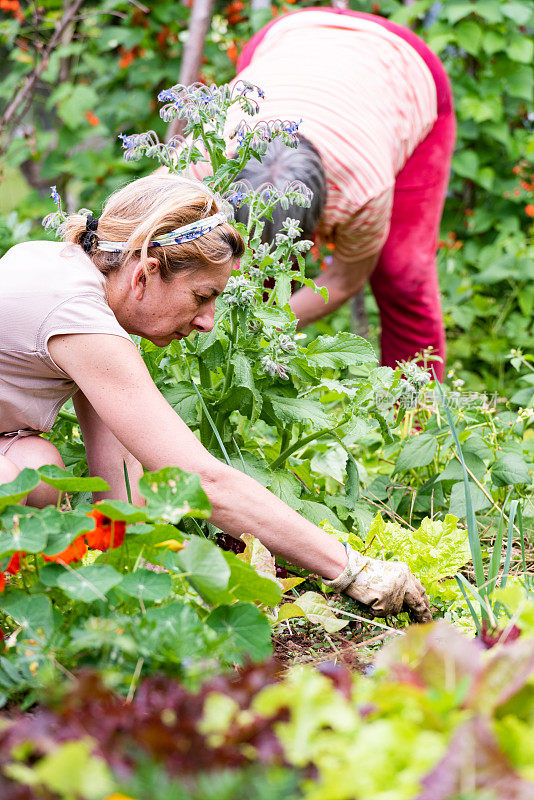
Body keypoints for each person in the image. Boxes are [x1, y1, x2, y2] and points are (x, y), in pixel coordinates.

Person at [0, 173, 431, 621]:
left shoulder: (69, 274)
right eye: (202, 296)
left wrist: (155, 580)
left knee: (38, 473)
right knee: (9, 479)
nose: (207, 321)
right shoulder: (75, 314)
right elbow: (203, 480)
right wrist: (350, 569)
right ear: (145, 272)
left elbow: (122, 494)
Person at [178, 8, 456, 380]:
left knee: (401, 272)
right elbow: (142, 234)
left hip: (406, 72)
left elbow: (343, 280)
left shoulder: (363, 186)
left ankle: (416, 417)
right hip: (286, 39)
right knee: (241, 269)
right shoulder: (204, 158)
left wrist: (262, 324)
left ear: (319, 218)